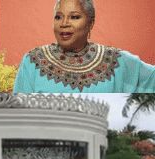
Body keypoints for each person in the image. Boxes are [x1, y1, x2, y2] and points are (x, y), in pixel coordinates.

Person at [13, 0, 155, 93]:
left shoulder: (116, 62)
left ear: (90, 23)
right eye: (58, 17)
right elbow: (17, 114)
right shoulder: (33, 61)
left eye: (74, 17)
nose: (64, 23)